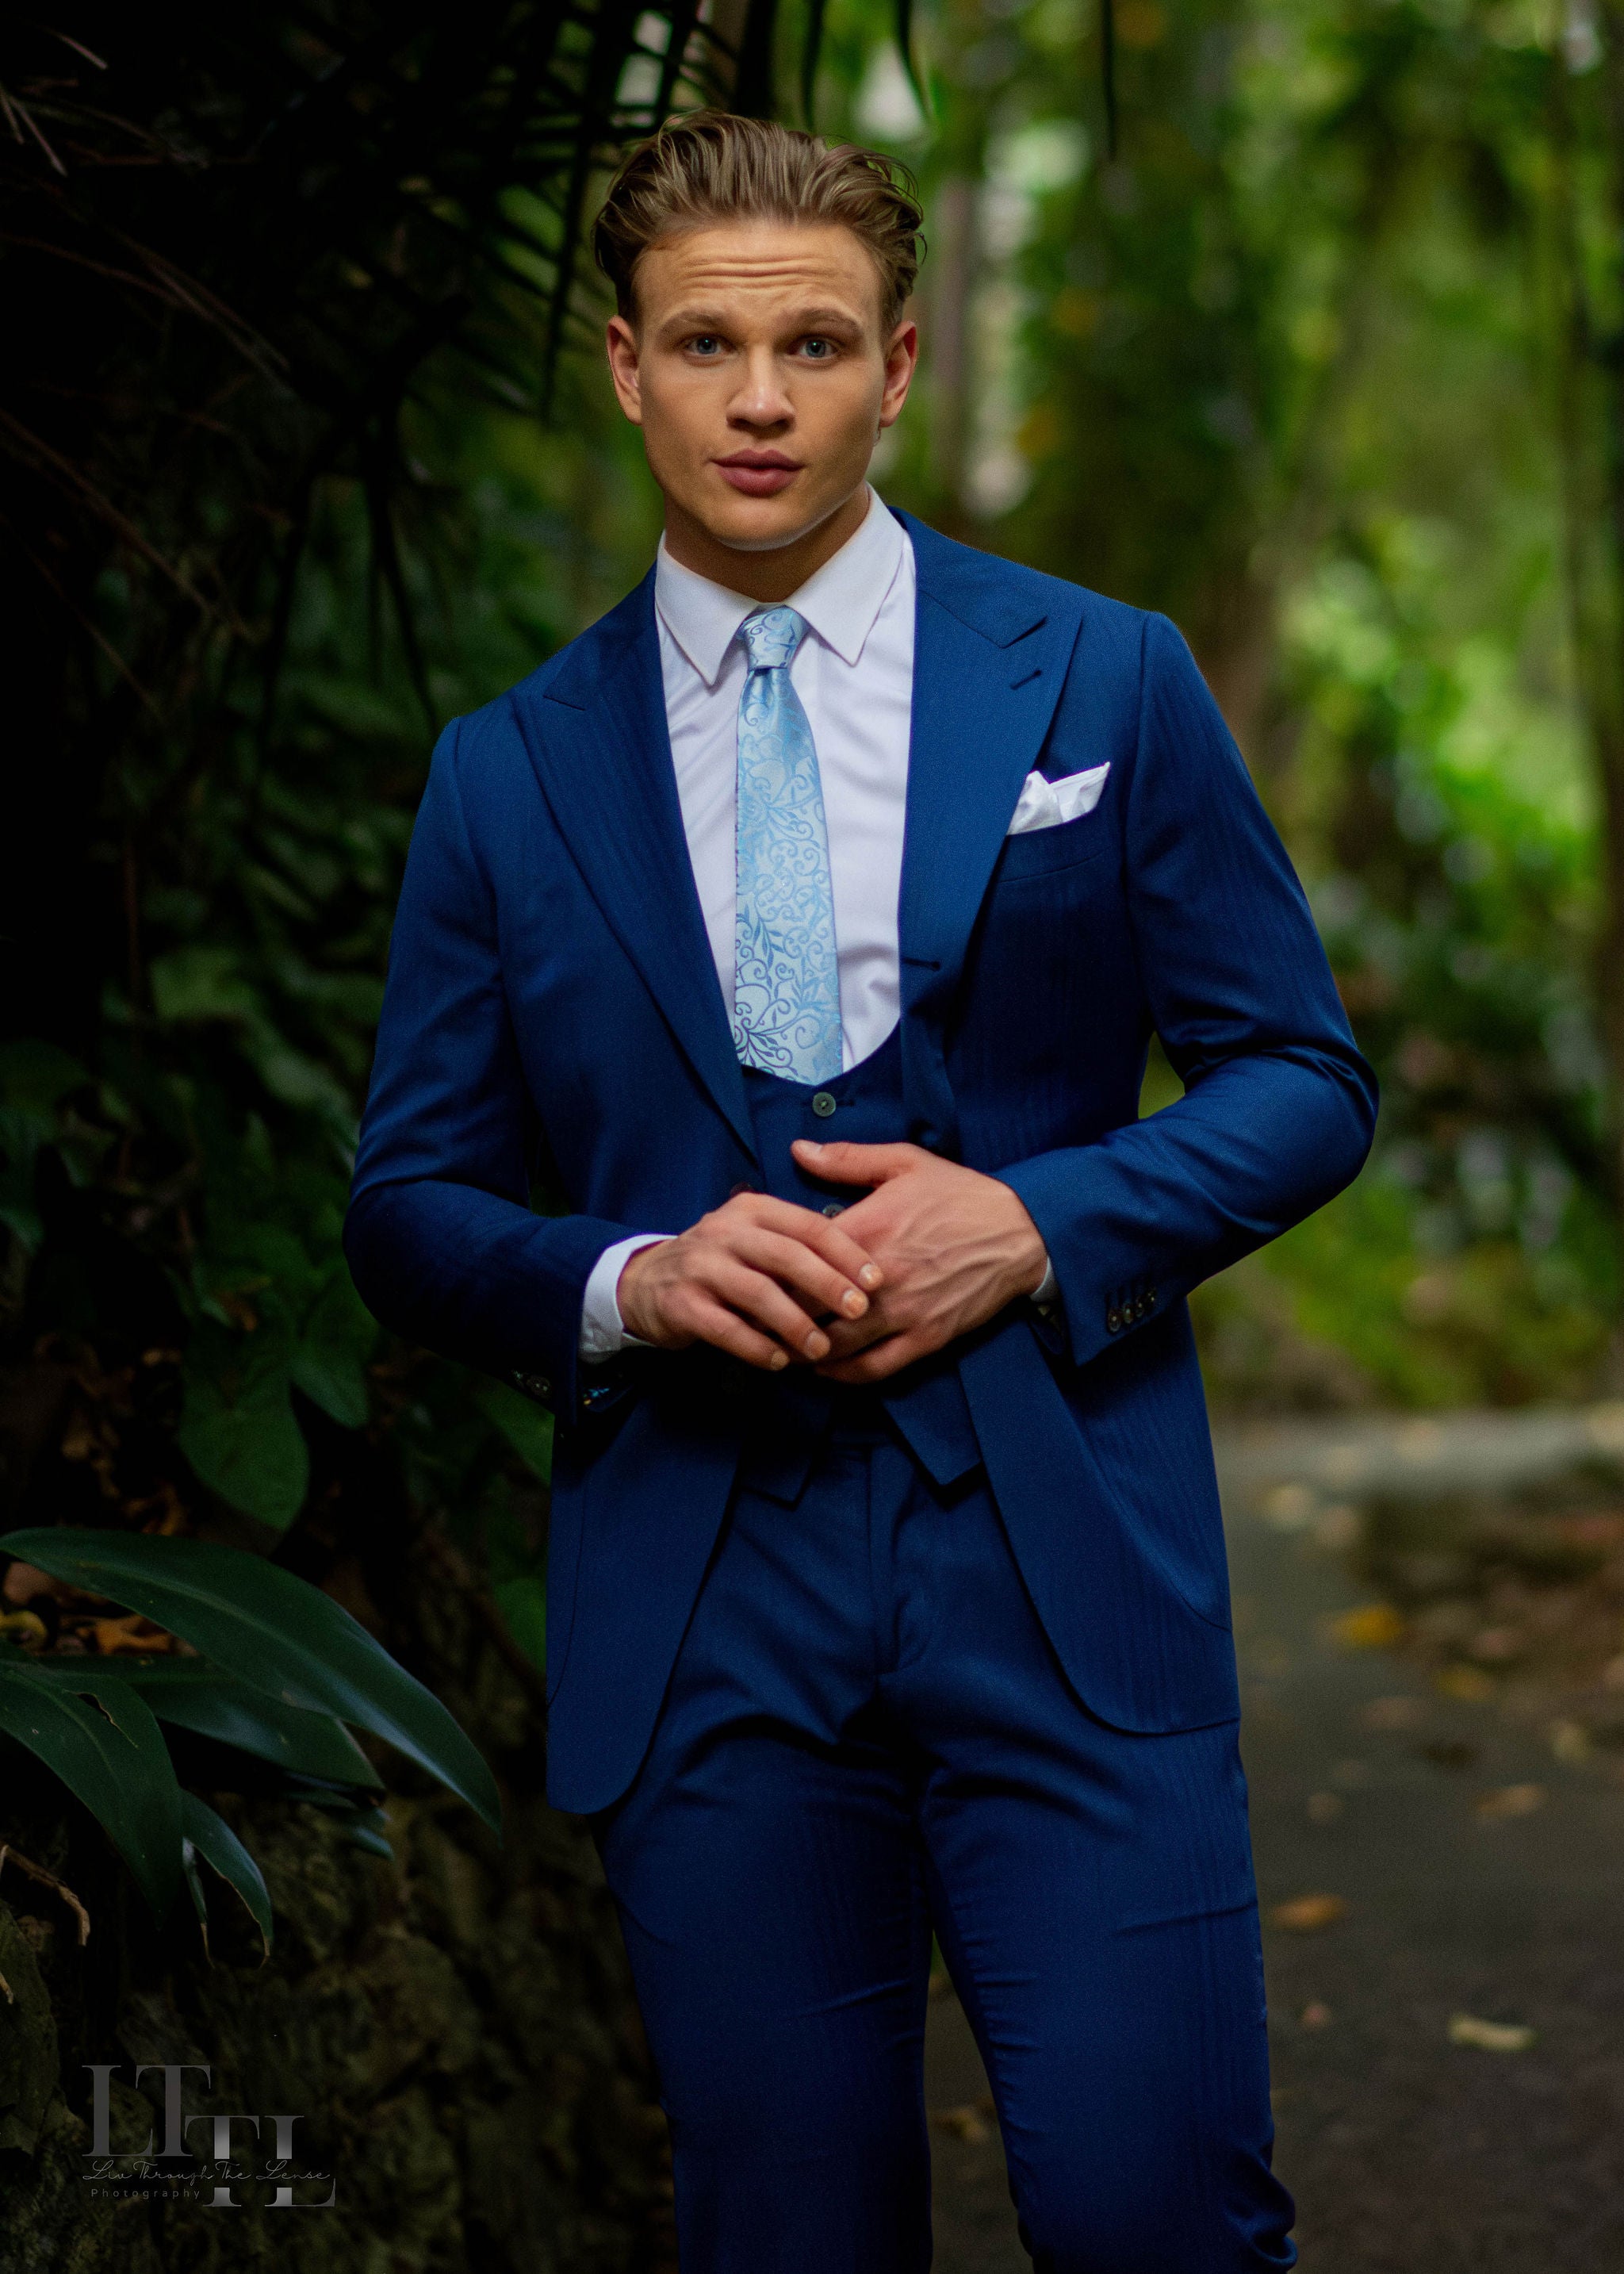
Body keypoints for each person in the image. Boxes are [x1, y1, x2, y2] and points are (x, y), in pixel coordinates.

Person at [346, 110, 1376, 2273]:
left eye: (812, 344)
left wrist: (1043, 1220)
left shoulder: (1105, 679)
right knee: (785, 2236)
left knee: (1153, 2211)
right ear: (623, 364)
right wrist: (627, 1275)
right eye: (703, 342)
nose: (755, 398)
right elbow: (412, 1200)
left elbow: (1302, 1076)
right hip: (706, 1598)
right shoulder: (504, 773)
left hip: (1063, 1559)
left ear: (900, 364)